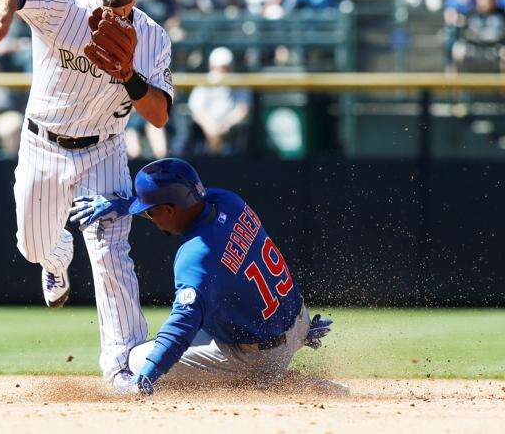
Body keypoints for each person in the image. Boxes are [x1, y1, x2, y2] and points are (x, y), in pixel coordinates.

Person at [0, 0, 174, 390]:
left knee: (110, 255)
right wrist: (6, 11)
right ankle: (56, 259)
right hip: (42, 145)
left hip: (103, 152)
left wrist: (129, 77)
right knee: (33, 244)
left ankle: (125, 366)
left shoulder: (154, 38)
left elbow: (159, 115)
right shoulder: (65, 8)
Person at [69, 158, 337, 394]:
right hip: (298, 320)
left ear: (170, 210)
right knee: (216, 306)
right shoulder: (228, 201)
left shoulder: (194, 257)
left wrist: (146, 377)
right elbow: (178, 203)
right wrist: (125, 206)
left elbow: (180, 328)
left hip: (261, 356)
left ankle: (273, 382)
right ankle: (284, 357)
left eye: (149, 211)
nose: (148, 216)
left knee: (136, 360)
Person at [188, 47, 252, 154]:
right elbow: (197, 111)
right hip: (208, 129)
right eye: (217, 67)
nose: (221, 71)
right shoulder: (203, 83)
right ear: (211, 66)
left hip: (232, 130)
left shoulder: (239, 83)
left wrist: (227, 123)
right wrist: (210, 125)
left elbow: (243, 110)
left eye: (225, 67)